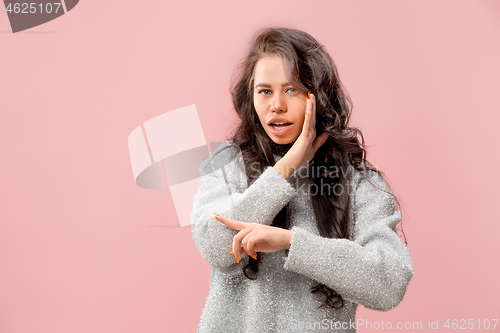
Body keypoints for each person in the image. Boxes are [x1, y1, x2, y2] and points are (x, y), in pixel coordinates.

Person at [190, 27, 414, 333]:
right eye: (265, 91)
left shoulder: (357, 182)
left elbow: (388, 285)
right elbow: (216, 248)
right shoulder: (229, 165)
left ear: (318, 96)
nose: (277, 105)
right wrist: (288, 167)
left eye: (291, 89)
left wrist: (290, 243)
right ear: (251, 97)